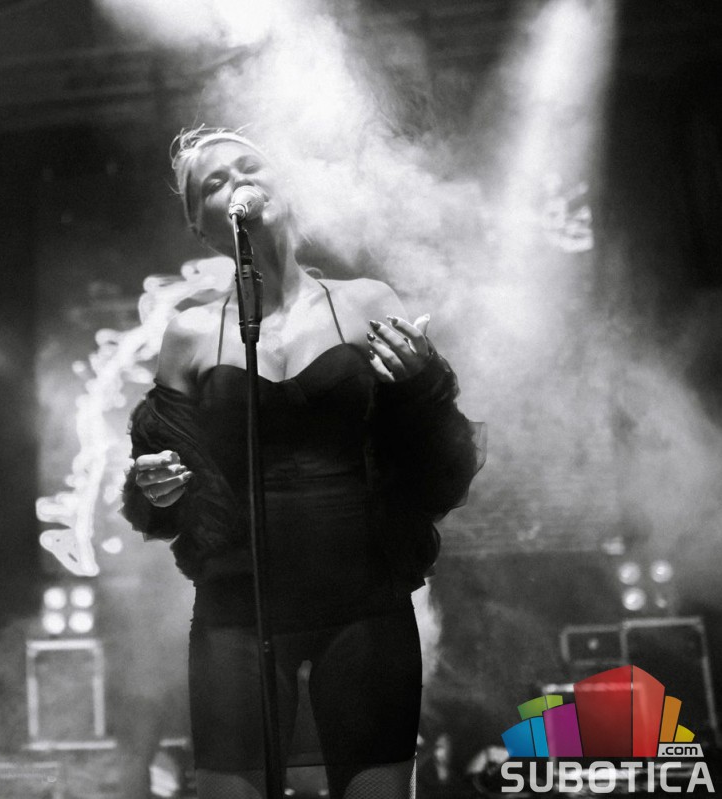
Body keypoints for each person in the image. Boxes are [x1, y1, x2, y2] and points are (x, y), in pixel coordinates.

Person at [122, 130, 482, 799]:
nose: (236, 182)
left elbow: (435, 459)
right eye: (214, 183)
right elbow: (161, 473)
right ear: (201, 225)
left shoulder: (366, 301)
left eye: (248, 166)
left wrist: (421, 384)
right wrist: (156, 483)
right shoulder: (190, 332)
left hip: (363, 599)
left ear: (283, 186)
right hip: (239, 605)